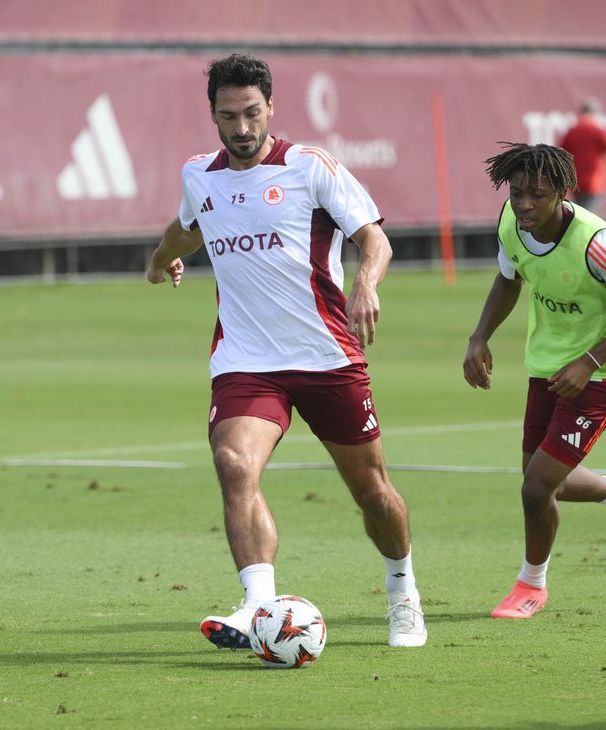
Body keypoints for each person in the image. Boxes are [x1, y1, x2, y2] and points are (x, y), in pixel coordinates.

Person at [146, 53, 427, 650]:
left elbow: (374, 237)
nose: (242, 128)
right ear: (213, 116)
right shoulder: (199, 174)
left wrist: (366, 282)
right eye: (229, 117)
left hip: (326, 355)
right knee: (233, 464)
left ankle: (402, 590)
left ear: (271, 107)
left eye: (252, 113)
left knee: (372, 492)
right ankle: (258, 606)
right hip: (246, 360)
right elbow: (185, 227)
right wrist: (159, 259)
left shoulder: (310, 166)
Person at [463, 143, 606, 620]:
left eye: (537, 194)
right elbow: (509, 278)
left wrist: (590, 362)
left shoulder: (598, 244)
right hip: (547, 369)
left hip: (601, 376)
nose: (525, 204)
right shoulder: (513, 223)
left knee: (536, 489)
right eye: (517, 193)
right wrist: (479, 337)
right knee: (542, 482)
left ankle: (531, 586)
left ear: (561, 192)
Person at [559, 99, 606, 213]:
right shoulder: (598, 131)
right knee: (589, 216)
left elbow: (561, 157)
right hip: (594, 182)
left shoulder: (571, 131)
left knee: (580, 213)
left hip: (576, 182)